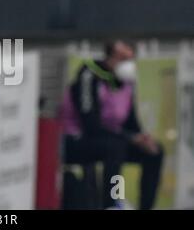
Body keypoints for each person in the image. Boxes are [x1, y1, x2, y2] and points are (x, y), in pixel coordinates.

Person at [59, 40, 164, 210]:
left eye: (130, 59)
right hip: (77, 139)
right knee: (116, 147)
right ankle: (111, 203)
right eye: (122, 58)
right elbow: (90, 124)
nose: (127, 64)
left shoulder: (127, 82)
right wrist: (129, 137)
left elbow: (131, 121)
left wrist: (142, 138)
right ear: (111, 58)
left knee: (154, 151)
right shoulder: (89, 74)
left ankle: (146, 206)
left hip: (112, 138)